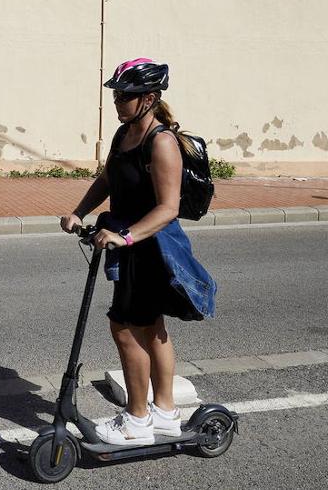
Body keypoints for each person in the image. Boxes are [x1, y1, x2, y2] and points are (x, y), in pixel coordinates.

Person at [59, 58, 216, 446]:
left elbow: (168, 208)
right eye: (115, 94)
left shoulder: (161, 142)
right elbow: (108, 179)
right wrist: (80, 212)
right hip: (130, 243)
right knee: (152, 329)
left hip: (154, 248)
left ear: (148, 98)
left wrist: (125, 237)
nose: (117, 101)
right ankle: (164, 414)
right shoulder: (123, 134)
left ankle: (137, 420)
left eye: (124, 95)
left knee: (125, 329)